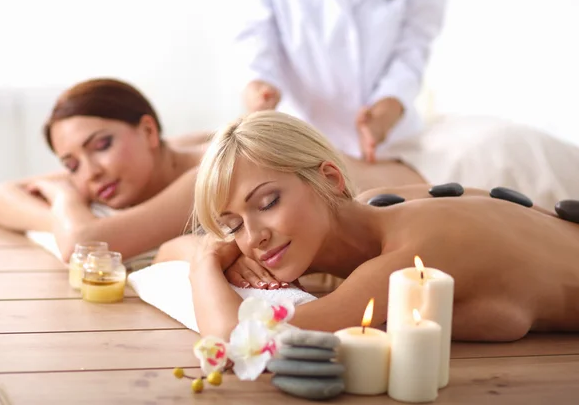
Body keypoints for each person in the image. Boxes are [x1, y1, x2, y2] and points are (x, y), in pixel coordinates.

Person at [174, 110, 579, 342]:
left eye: (268, 202)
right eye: (233, 226)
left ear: (330, 179)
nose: (253, 237)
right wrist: (213, 248)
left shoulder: (408, 258)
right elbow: (166, 252)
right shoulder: (378, 206)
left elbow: (241, 336)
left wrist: (206, 262)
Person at [230, 0, 447, 162]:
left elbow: (414, 48)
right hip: (301, 143)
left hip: (395, 142)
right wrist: (259, 89)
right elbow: (254, 43)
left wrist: (389, 104)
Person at [0, 78, 207, 263]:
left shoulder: (212, 171)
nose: (90, 174)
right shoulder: (164, 151)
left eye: (102, 146)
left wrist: (64, 198)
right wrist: (62, 221)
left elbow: (82, 246)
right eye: (72, 166)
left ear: (148, 131)